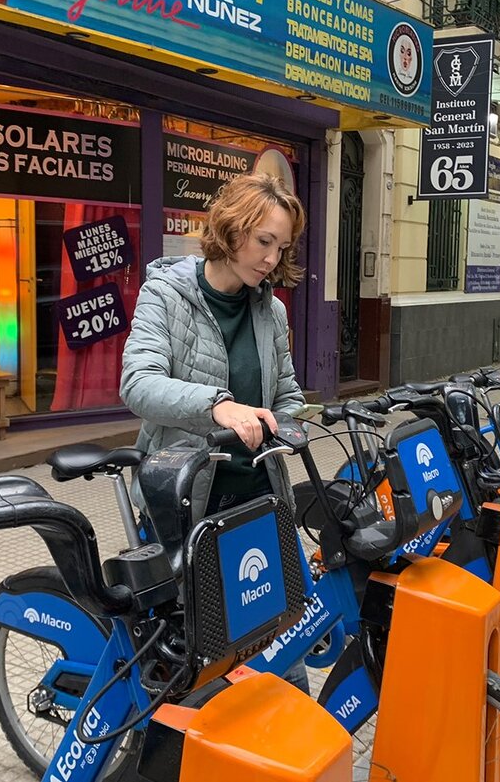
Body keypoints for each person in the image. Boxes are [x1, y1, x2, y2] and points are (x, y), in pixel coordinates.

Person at [119, 172, 308, 689]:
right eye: (263, 241)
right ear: (230, 229)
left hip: (260, 501)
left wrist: (285, 423)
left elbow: (288, 395)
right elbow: (138, 383)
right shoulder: (166, 295)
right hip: (191, 506)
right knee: (203, 666)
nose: (271, 258)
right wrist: (217, 406)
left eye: (281, 246)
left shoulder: (272, 310)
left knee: (280, 649)